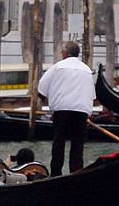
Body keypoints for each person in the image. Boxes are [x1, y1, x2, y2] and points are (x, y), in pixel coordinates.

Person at [37, 41, 95, 178]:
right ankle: (76, 173)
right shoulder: (86, 69)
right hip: (81, 110)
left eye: (62, 51)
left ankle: (56, 174)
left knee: (59, 142)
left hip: (62, 109)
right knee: (77, 144)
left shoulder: (58, 66)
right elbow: (91, 95)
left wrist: (46, 100)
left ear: (65, 53)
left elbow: (42, 87)